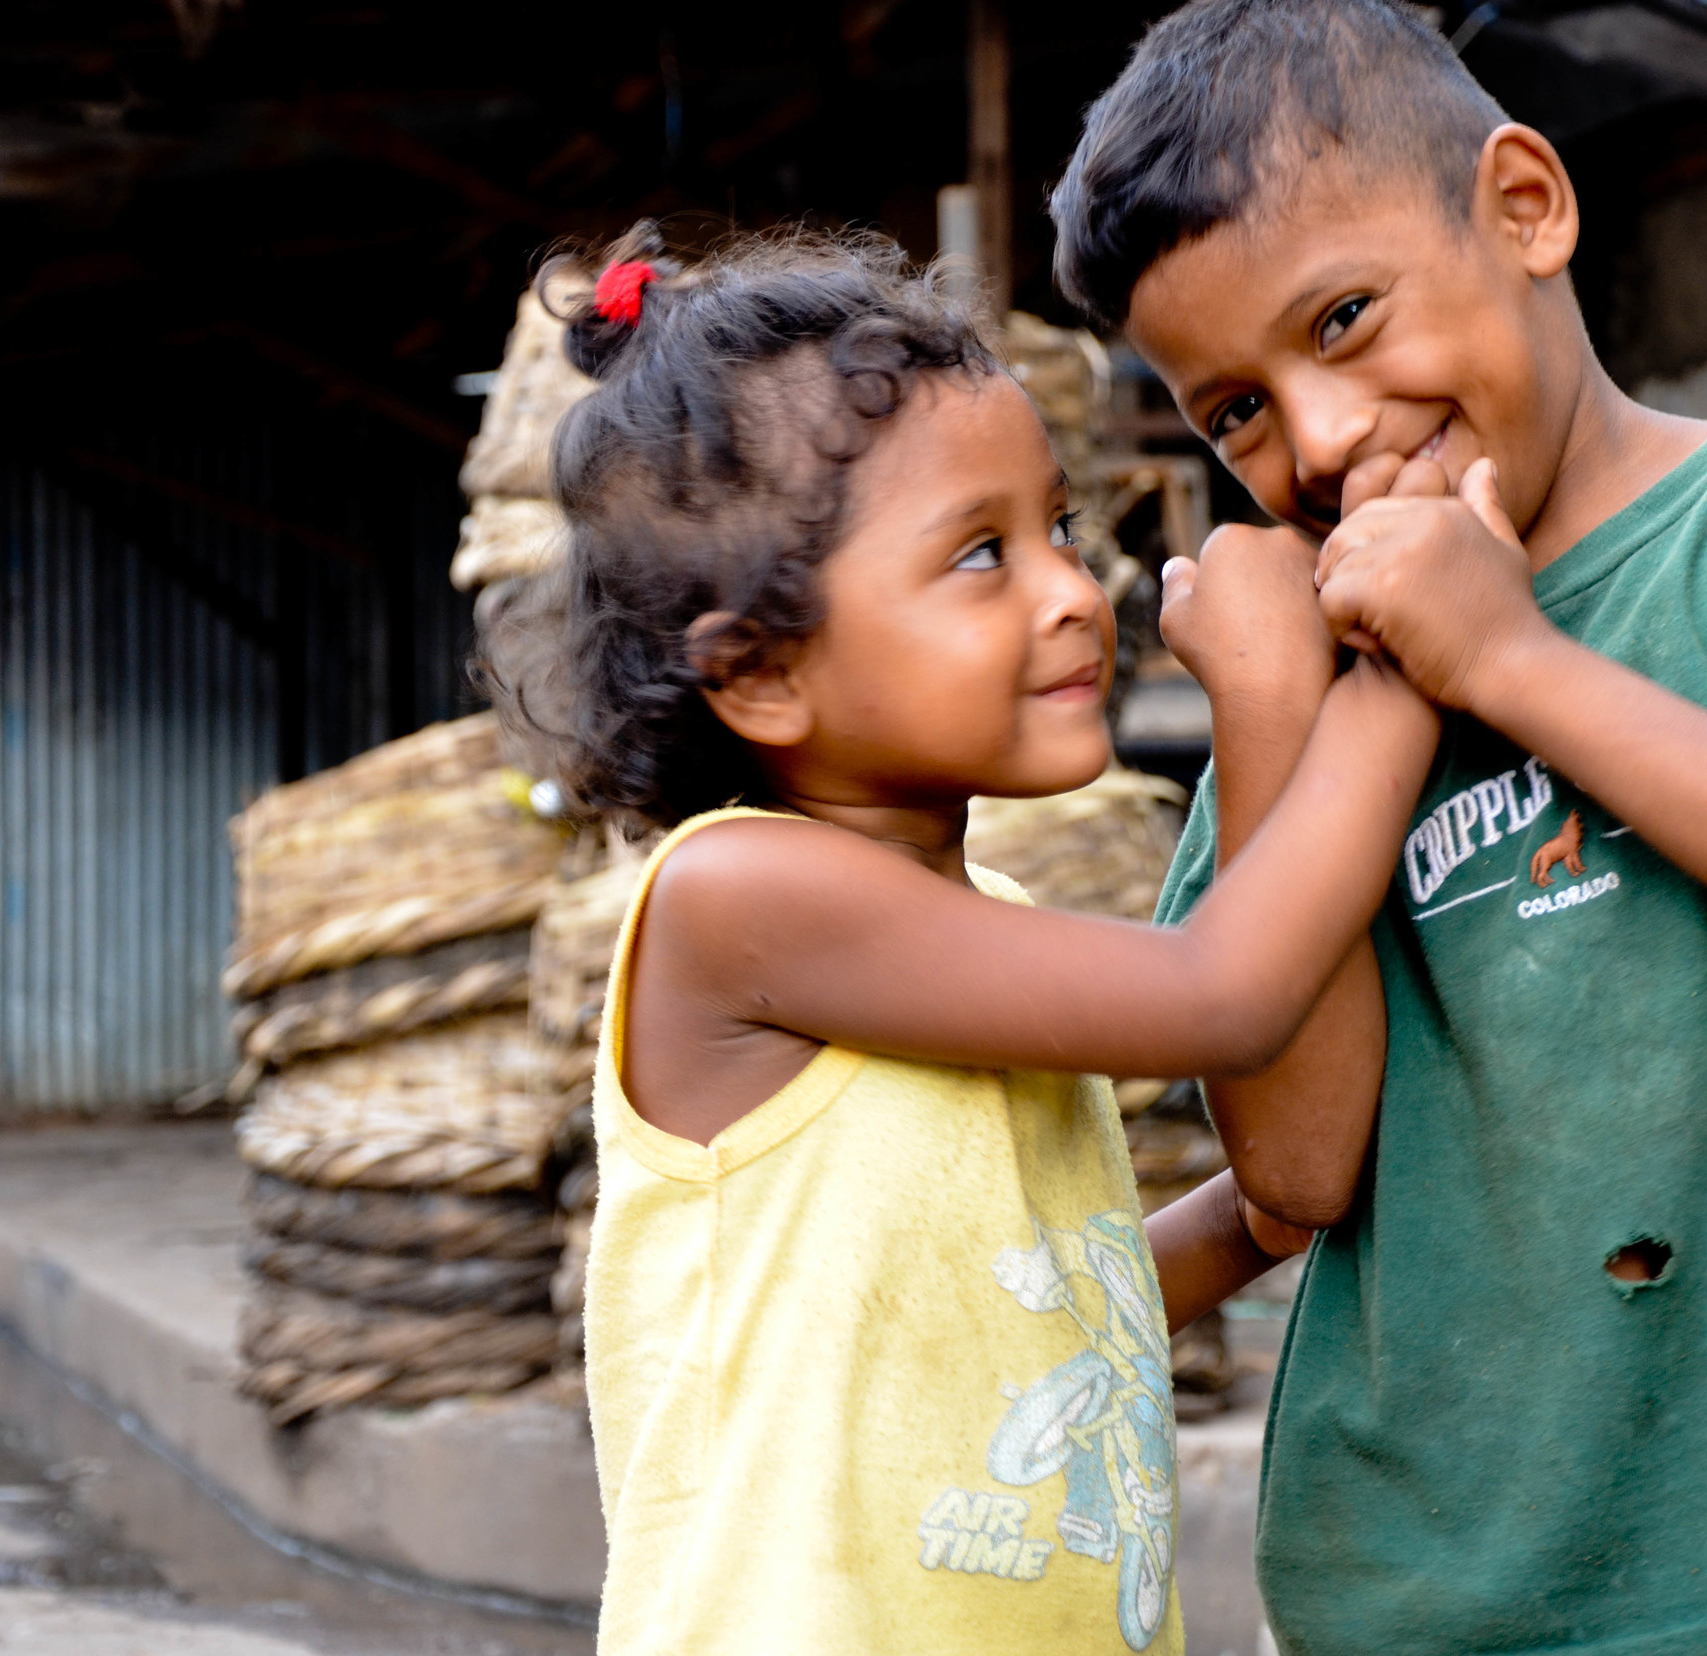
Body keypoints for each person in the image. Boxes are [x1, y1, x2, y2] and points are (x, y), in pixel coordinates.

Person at [1049, 4, 1707, 1654]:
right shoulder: (1302, 698)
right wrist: (1283, 705)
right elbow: (1296, 1166)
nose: (1323, 439)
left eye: (1344, 319)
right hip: (1404, 1592)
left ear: (1524, 208)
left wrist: (1507, 657)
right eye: (1235, 415)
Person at [512, 229, 1437, 1656]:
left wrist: (1252, 1223)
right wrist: (1389, 679)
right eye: (980, 555)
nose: (1076, 588)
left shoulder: (974, 935)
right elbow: (1224, 994)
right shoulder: (743, 899)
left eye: (1058, 528)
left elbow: (1024, 1302)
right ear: (759, 674)